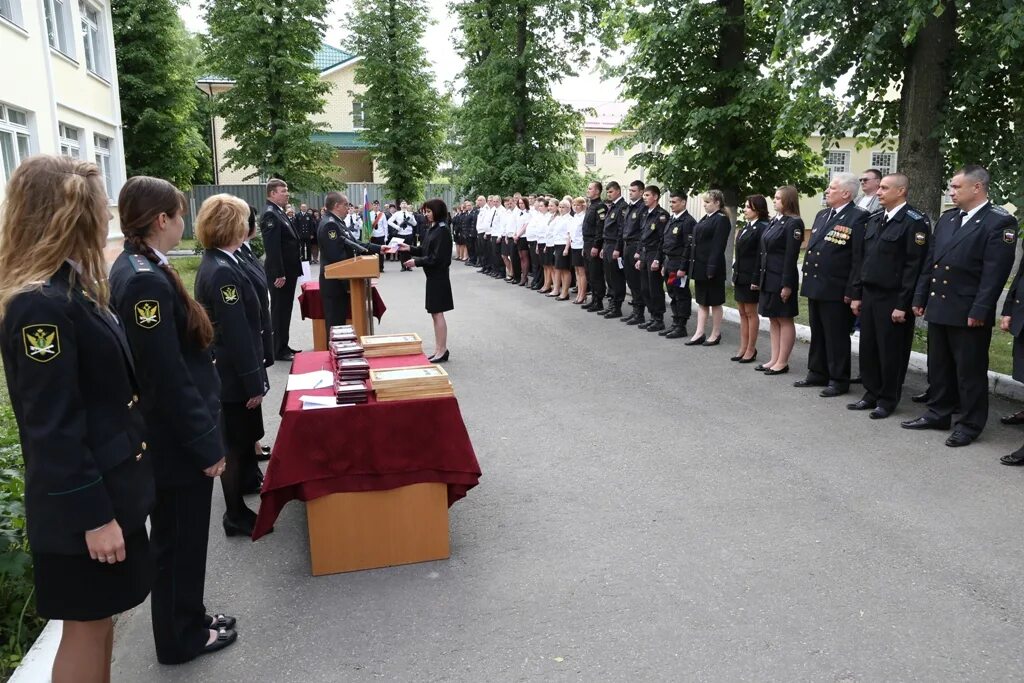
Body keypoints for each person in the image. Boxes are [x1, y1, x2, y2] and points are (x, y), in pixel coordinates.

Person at [0, 155, 155, 683]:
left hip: (108, 491)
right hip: (84, 507)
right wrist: (94, 516)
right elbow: (53, 427)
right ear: (65, 214)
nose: (106, 218)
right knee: (86, 627)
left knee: (97, 620)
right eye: (96, 207)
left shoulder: (69, 288)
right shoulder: (39, 305)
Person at [109, 176, 237, 664]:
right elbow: (165, 376)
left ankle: (191, 614)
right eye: (180, 215)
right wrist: (206, 444)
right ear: (162, 220)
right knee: (179, 541)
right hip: (174, 440)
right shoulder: (142, 278)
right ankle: (180, 637)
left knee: (184, 539)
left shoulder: (142, 265)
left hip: (172, 435)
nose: (184, 223)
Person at [902, 165, 1018, 447]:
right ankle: (938, 413)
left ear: (977, 187)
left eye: (956, 187)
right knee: (939, 365)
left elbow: (994, 274)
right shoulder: (948, 219)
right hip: (940, 305)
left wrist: (980, 309)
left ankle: (970, 423)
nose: (951, 191)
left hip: (968, 310)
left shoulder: (998, 222)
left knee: (969, 371)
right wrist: (919, 297)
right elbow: (931, 262)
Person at [195, 194, 270, 537]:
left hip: (234, 367)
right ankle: (235, 514)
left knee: (244, 435)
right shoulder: (222, 271)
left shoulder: (225, 260)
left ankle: (246, 490)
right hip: (231, 372)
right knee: (236, 442)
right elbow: (237, 332)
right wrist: (253, 381)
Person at [847, 173, 930, 419]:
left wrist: (903, 304)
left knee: (891, 351)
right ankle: (871, 393)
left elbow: (913, 267)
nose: (879, 192)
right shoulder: (874, 219)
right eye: (879, 187)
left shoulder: (914, 222)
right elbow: (864, 260)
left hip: (894, 298)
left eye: (884, 188)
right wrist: (857, 294)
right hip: (871, 294)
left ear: (901, 191)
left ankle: (887, 399)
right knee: (869, 347)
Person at [793, 173, 869, 396]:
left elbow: (857, 258)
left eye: (832, 188)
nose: (827, 191)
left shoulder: (858, 217)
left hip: (837, 287)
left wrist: (853, 290)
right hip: (817, 284)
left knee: (836, 335)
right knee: (818, 332)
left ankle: (838, 379)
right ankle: (817, 372)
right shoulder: (822, 214)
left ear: (846, 193)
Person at [397, 198, 454, 362]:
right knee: (434, 313)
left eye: (429, 211)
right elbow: (425, 249)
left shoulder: (442, 230)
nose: (426, 215)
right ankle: (439, 349)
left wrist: (416, 262)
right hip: (432, 276)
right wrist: (410, 248)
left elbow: (436, 258)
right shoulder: (432, 229)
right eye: (426, 212)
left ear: (438, 211)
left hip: (439, 276)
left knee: (438, 313)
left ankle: (442, 350)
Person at [317, 192, 384, 330]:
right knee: (335, 325)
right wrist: (355, 270)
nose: (348, 208)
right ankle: (334, 351)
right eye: (346, 205)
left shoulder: (337, 222)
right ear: (336, 206)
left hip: (340, 281)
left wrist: (380, 248)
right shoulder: (330, 225)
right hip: (334, 283)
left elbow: (355, 243)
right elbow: (336, 257)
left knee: (340, 322)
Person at [756, 186, 803, 375]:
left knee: (784, 318)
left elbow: (791, 256)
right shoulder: (776, 221)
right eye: (774, 197)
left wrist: (787, 283)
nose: (774, 201)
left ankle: (782, 361)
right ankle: (774, 358)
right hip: (769, 276)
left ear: (788, 201)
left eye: (778, 198)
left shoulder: (794, 223)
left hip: (781, 277)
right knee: (773, 318)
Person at [260, 179, 301, 361]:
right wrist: (279, 273)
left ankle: (282, 345)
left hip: (288, 271)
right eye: (283, 191)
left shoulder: (279, 212)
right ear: (272, 193)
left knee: (285, 310)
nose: (287, 193)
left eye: (287, 190)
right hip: (280, 273)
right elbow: (273, 247)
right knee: (279, 311)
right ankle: (277, 349)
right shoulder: (271, 215)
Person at [685, 190, 731, 346]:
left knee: (715, 301)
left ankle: (715, 333)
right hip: (700, 266)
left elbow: (718, 246)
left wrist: (711, 268)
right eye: (704, 202)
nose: (704, 205)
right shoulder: (706, 218)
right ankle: (699, 333)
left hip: (712, 268)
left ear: (717, 202)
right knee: (702, 301)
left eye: (707, 202)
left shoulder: (721, 220)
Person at [731, 195, 769, 362]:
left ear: (758, 209)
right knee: (742, 312)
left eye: (748, 207)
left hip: (751, 276)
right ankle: (743, 346)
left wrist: (756, 278)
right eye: (745, 206)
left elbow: (760, 256)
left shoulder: (762, 227)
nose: (745, 210)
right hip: (741, 275)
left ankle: (751, 349)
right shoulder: (747, 226)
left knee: (750, 313)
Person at [659, 190, 695, 339]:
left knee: (681, 294)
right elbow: (665, 242)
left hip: (678, 264)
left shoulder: (688, 221)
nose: (671, 205)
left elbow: (688, 246)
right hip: (669, 262)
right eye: (670, 202)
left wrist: (683, 268)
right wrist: (663, 264)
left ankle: (681, 326)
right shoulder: (672, 219)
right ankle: (675, 323)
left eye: (674, 202)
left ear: (683, 202)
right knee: (672, 293)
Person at [636, 185, 669, 331]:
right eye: (644, 195)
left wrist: (657, 259)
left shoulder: (661, 216)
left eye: (647, 195)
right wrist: (638, 255)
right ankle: (651, 316)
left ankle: (658, 318)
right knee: (644, 288)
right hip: (644, 253)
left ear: (655, 197)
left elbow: (662, 239)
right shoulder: (645, 213)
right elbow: (641, 236)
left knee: (654, 288)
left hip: (654, 253)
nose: (644, 197)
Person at [621, 180, 648, 325]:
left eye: (633, 190)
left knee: (637, 282)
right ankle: (635, 311)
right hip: (627, 246)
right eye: (630, 190)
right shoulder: (630, 207)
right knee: (630, 280)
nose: (630, 192)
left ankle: (639, 313)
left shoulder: (642, 208)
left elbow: (642, 231)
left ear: (641, 192)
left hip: (636, 247)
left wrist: (639, 250)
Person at [599, 182, 627, 318]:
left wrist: (617, 248)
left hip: (615, 245)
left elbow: (621, 230)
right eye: (607, 192)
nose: (608, 194)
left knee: (616, 277)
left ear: (618, 191)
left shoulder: (622, 207)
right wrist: (604, 247)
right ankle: (611, 303)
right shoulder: (613, 207)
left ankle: (617, 306)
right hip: (608, 244)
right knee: (609, 276)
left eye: (611, 192)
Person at [581, 181, 607, 310]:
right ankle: (594, 299)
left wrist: (596, 246)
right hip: (586, 243)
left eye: (590, 188)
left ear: (597, 191)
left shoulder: (600, 207)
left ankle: (599, 301)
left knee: (596, 274)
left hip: (593, 243)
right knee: (589, 273)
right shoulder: (591, 206)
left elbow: (600, 228)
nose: (588, 190)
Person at [548, 199, 573, 300]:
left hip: (564, 245)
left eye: (564, 207)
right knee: (559, 269)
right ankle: (560, 290)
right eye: (560, 207)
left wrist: (566, 248)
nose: (561, 209)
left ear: (569, 208)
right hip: (557, 244)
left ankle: (565, 292)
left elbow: (569, 235)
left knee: (565, 270)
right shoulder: (558, 218)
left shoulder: (570, 219)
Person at [388, 200, 418, 271]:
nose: (404, 205)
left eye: (405, 203)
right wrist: (397, 227)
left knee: (409, 250)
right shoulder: (397, 213)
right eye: (402, 203)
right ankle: (403, 266)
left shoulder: (410, 214)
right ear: (400, 206)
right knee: (402, 251)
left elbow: (415, 224)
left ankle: (409, 266)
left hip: (409, 233)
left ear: (407, 206)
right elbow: (389, 221)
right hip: (400, 233)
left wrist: (411, 218)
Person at [570, 197, 588, 304]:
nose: (575, 207)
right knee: (577, 270)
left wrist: (584, 247)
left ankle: (583, 294)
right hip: (574, 245)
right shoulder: (575, 216)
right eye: (574, 205)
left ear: (583, 206)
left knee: (582, 272)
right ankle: (579, 293)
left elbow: (584, 233)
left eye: (578, 205)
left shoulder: (583, 217)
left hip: (581, 245)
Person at [514, 197, 533, 286]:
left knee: (525, 257)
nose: (521, 205)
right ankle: (523, 276)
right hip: (518, 237)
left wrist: (518, 235)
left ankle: (524, 276)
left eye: (522, 203)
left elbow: (525, 226)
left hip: (524, 237)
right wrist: (515, 234)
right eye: (519, 203)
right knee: (521, 257)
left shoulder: (528, 213)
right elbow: (517, 225)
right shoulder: (518, 213)